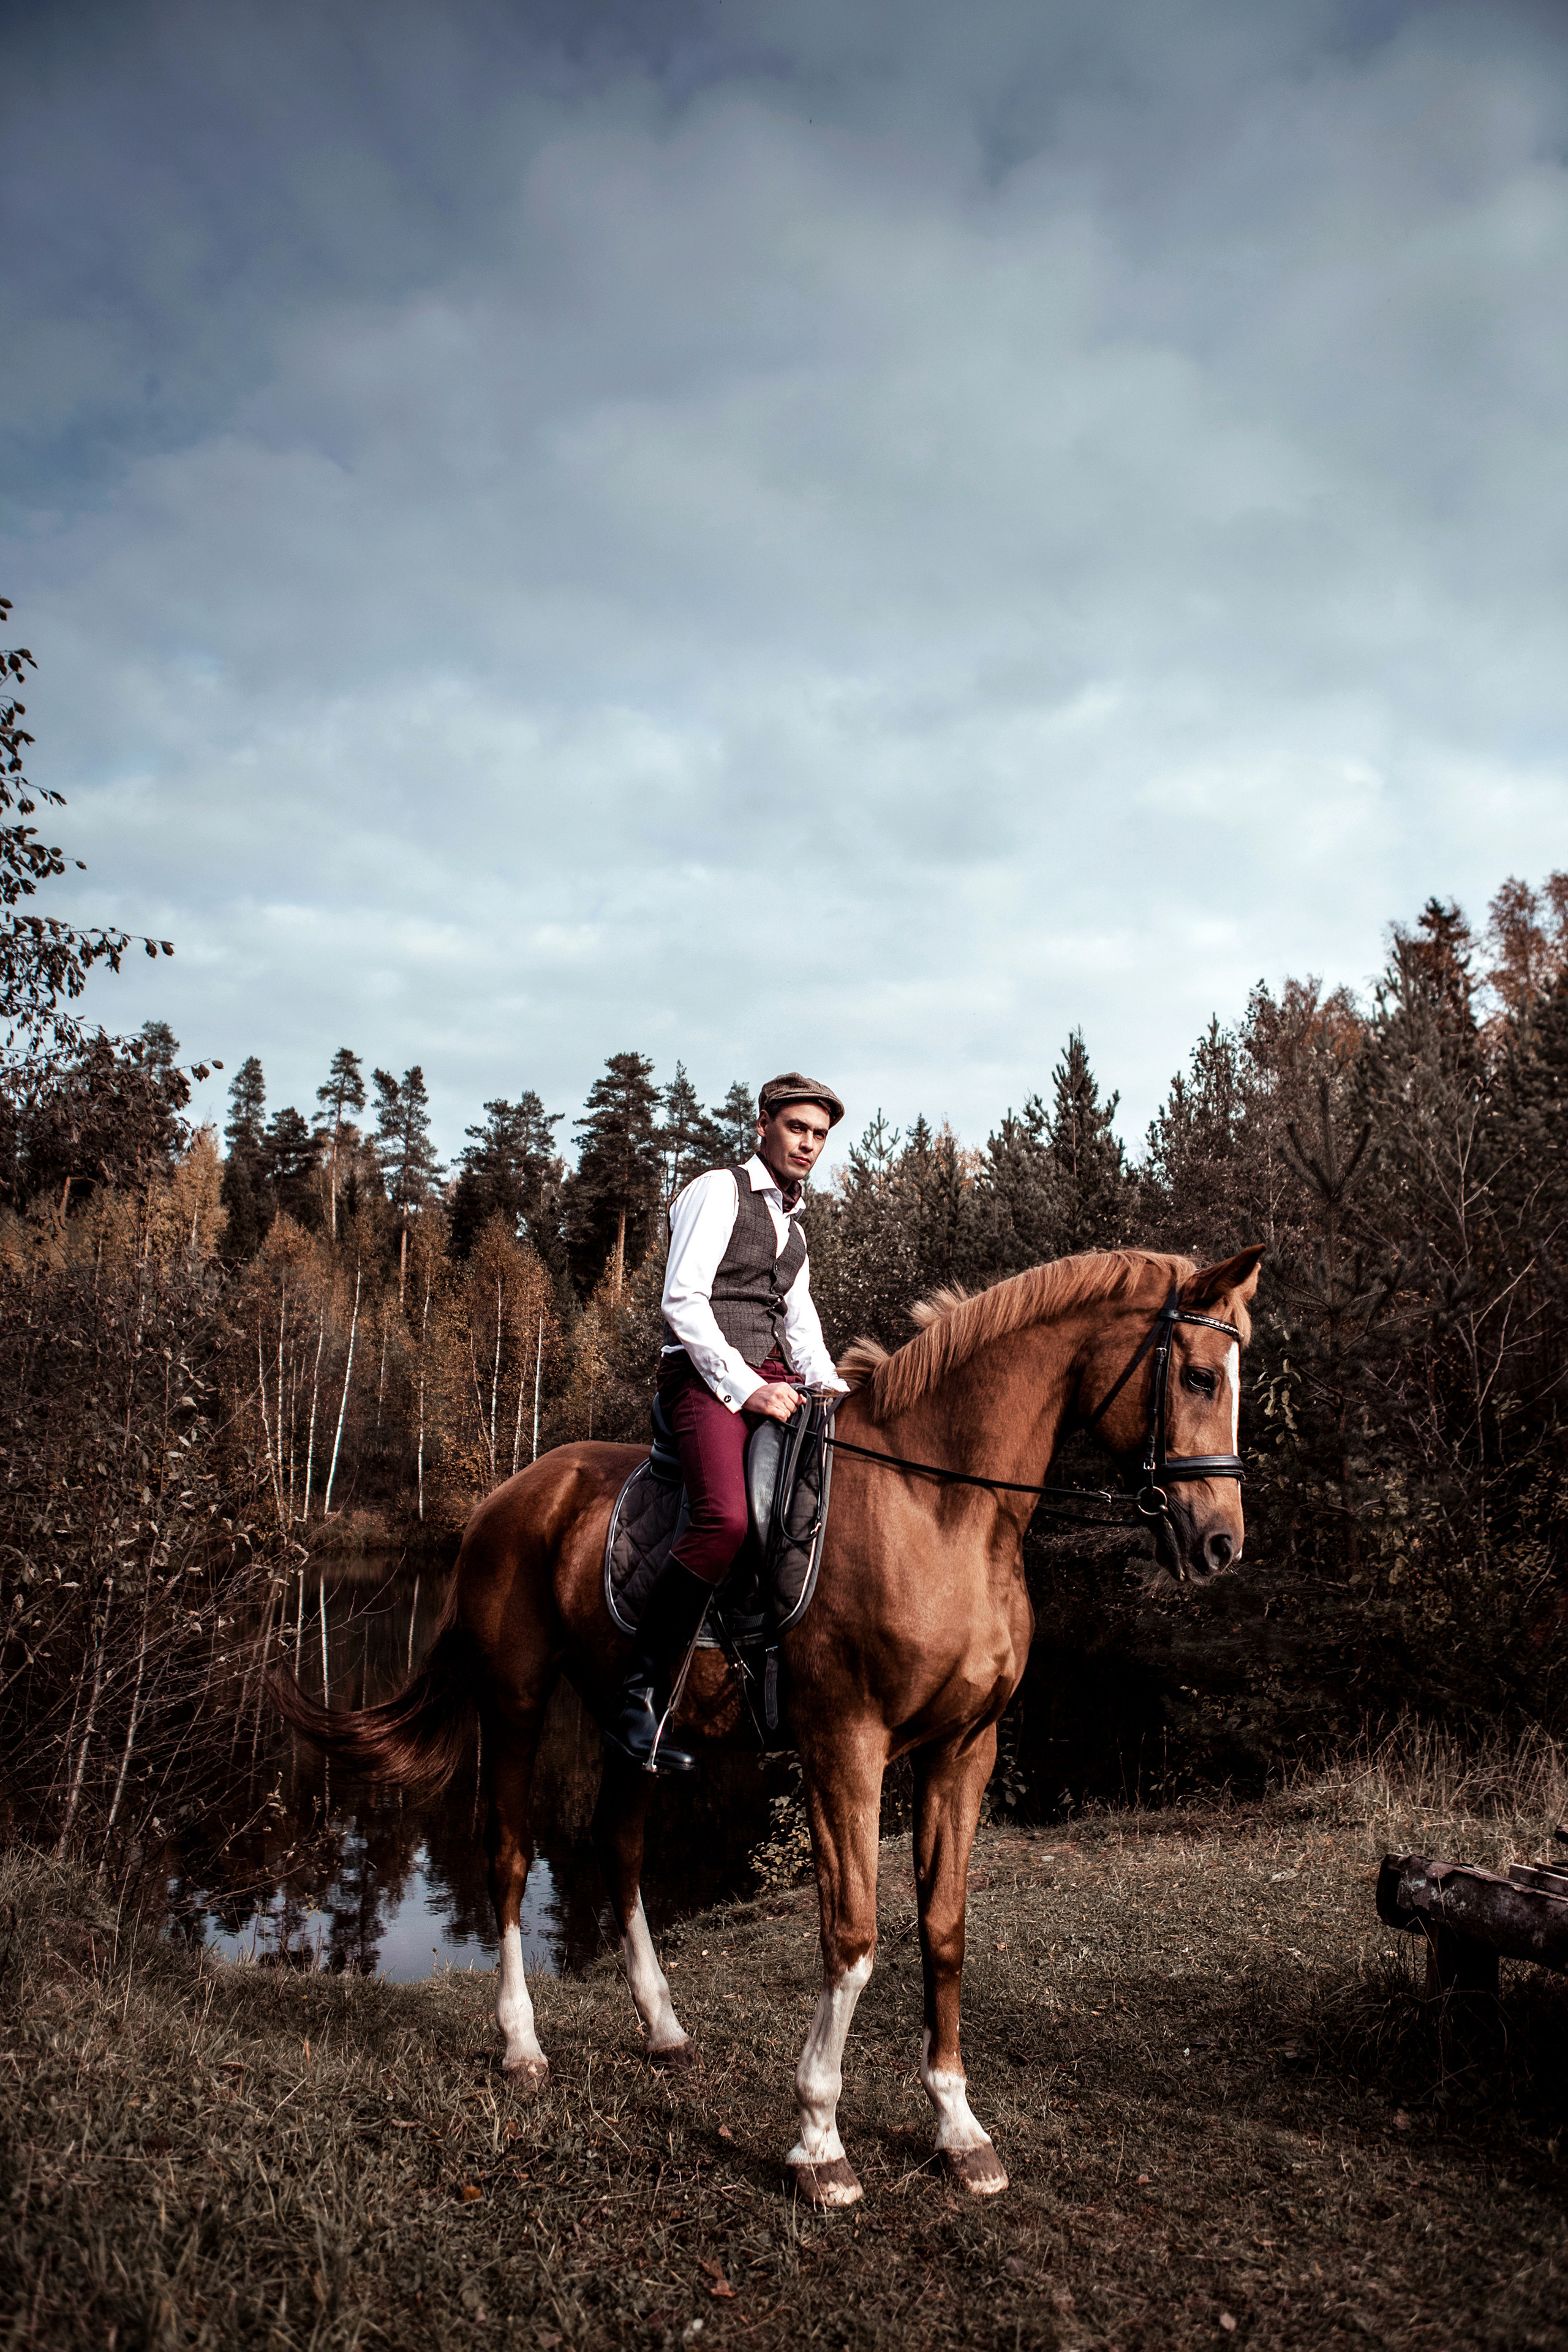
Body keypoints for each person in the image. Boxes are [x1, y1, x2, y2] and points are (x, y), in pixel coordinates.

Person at [603, 1072, 849, 1773]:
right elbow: (682, 1302)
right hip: (703, 1379)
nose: (808, 1144)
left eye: (819, 1136)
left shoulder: (793, 1225)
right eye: (798, 1128)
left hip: (773, 1380)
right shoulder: (718, 1189)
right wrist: (745, 1390)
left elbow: (799, 1326)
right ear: (764, 1124)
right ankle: (637, 1699)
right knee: (727, 1522)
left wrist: (831, 1389)